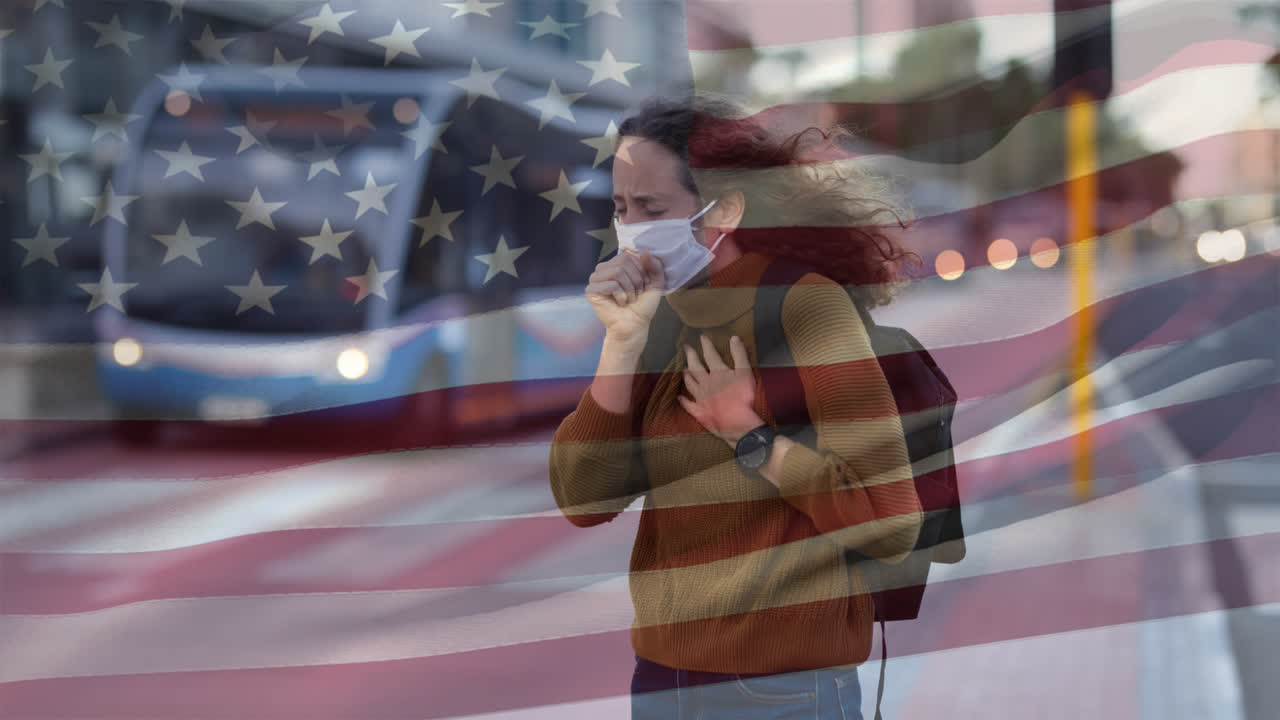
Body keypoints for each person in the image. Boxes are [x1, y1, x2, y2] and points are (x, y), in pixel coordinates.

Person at [547, 93, 925, 719]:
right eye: (620, 208)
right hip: (664, 681)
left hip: (781, 691)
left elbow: (892, 522)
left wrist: (750, 436)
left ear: (725, 208)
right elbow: (584, 499)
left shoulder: (805, 307)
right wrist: (620, 343)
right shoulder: (661, 313)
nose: (633, 228)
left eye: (652, 207)